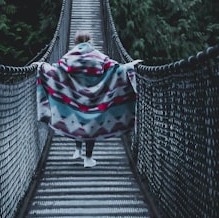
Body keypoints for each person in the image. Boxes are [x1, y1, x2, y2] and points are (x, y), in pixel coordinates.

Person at [33, 31, 141, 167]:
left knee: (76, 121)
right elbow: (116, 69)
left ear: (75, 43)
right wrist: (130, 66)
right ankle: (88, 158)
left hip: (75, 99)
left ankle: (77, 150)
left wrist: (42, 67)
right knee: (91, 127)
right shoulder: (99, 56)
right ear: (90, 42)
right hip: (94, 100)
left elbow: (56, 71)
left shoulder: (68, 57)